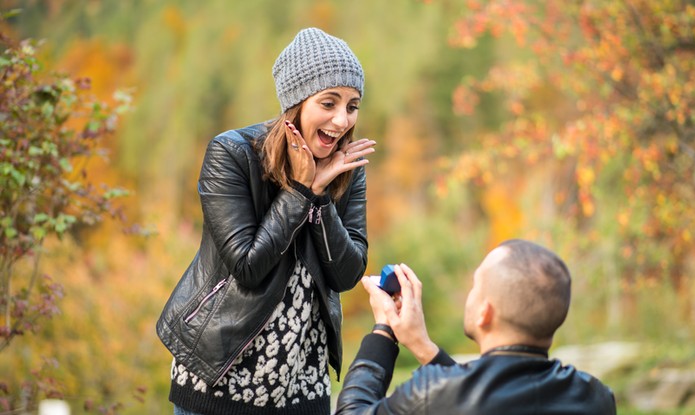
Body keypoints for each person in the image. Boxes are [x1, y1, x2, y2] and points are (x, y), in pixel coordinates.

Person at [156, 27, 376, 415]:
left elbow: (347, 275)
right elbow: (248, 266)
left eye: (352, 106)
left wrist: (321, 198)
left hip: (301, 384)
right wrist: (300, 191)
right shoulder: (233, 154)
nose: (342, 121)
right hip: (218, 377)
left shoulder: (348, 168)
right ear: (296, 101)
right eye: (329, 103)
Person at [336, 239, 617, 414]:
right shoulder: (596, 397)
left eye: (476, 285)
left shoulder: (430, 394)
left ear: (485, 312)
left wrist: (383, 331)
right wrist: (423, 347)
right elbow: (480, 393)